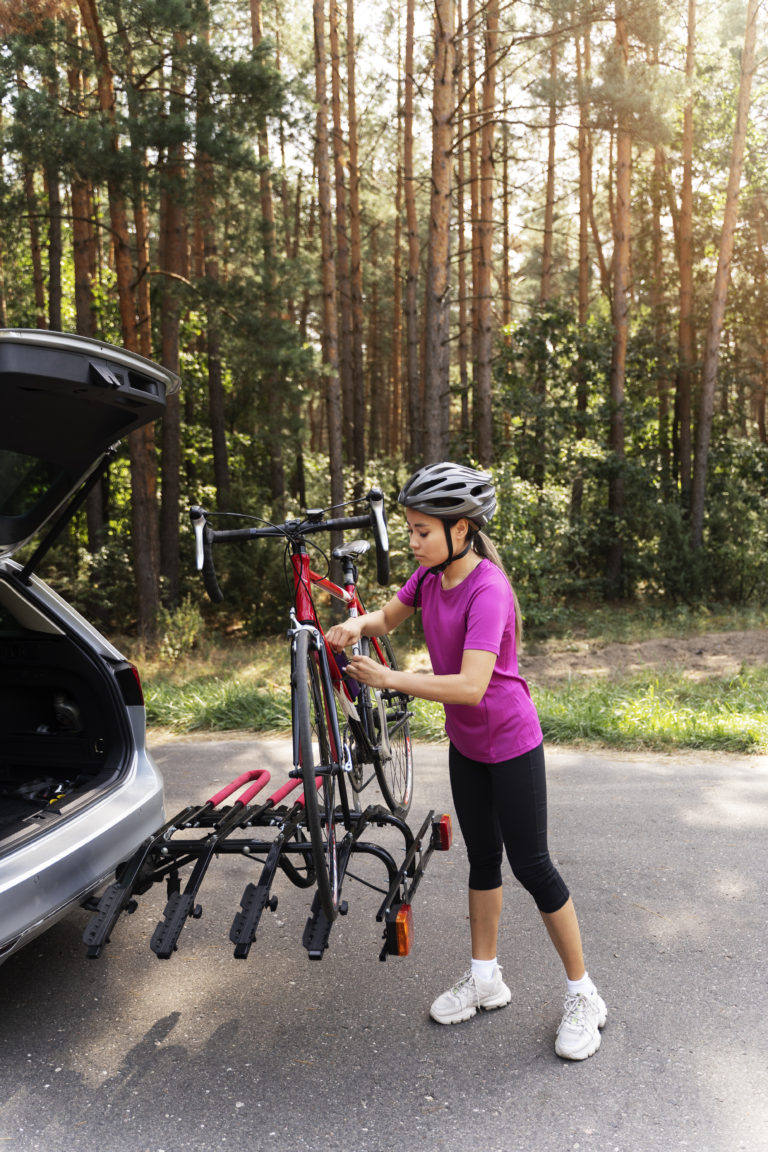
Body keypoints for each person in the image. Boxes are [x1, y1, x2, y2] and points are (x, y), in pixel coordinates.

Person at [326, 462, 606, 1060]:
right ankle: (485, 979)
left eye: (422, 530)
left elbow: (473, 685)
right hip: (467, 748)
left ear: (462, 529)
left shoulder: (488, 589)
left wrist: (391, 677)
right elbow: (386, 618)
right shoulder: (429, 577)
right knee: (483, 859)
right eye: (410, 528)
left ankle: (585, 995)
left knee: (533, 865)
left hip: (510, 742)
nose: (413, 540)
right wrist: (355, 625)